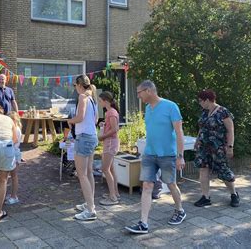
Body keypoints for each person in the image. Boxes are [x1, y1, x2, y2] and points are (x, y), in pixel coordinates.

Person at [125, 80, 186, 234]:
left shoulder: (171, 107)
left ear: (149, 91)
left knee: (171, 184)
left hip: (167, 155)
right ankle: (143, 223)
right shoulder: (148, 108)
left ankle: (180, 210)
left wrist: (180, 156)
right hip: (150, 154)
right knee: (147, 186)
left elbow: (179, 132)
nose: (138, 95)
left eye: (139, 92)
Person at [194, 89, 239, 207]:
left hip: (218, 148)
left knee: (223, 171)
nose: (200, 103)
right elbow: (202, 127)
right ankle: (205, 197)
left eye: (200, 101)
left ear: (207, 100)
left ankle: (234, 194)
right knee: (203, 169)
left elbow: (230, 131)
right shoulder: (204, 112)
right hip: (204, 148)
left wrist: (230, 147)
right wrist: (197, 140)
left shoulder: (223, 112)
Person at [67, 75, 99, 221]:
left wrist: (69, 121)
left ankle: (91, 210)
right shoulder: (92, 98)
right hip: (92, 136)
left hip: (84, 138)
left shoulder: (82, 97)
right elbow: (95, 119)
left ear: (79, 85)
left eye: (75, 86)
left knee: (82, 174)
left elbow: (79, 117)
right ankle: (89, 203)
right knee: (89, 172)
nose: (75, 88)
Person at [97, 91, 121, 206]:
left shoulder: (111, 112)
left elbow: (115, 129)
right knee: (110, 169)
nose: (99, 103)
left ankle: (112, 197)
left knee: (105, 169)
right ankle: (115, 193)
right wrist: (104, 125)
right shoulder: (110, 112)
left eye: (100, 101)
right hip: (111, 142)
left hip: (110, 143)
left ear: (105, 101)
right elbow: (112, 127)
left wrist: (102, 137)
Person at [5, 111, 23, 205]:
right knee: (11, 176)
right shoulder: (15, 128)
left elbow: (12, 142)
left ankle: (14, 196)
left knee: (14, 176)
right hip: (13, 153)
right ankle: (12, 195)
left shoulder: (15, 129)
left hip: (14, 154)